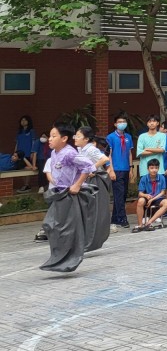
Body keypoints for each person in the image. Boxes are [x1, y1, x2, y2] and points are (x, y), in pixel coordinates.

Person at [38, 123, 97, 272]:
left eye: (53, 136)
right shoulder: (54, 153)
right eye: (50, 136)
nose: (49, 139)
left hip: (69, 196)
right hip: (59, 194)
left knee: (66, 229)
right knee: (50, 225)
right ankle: (59, 257)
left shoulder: (69, 153)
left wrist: (77, 184)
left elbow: (89, 166)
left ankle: (68, 259)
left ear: (64, 138)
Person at [105, 114, 133, 229]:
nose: (122, 123)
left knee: (122, 194)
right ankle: (122, 218)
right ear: (115, 124)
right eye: (119, 121)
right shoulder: (110, 137)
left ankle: (115, 218)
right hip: (116, 169)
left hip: (126, 168)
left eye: (124, 121)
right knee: (119, 194)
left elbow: (130, 153)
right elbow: (108, 155)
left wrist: (131, 168)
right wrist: (110, 169)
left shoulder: (128, 137)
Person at [134, 158, 167, 232]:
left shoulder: (162, 178)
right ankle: (140, 225)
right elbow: (140, 193)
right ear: (148, 169)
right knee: (140, 201)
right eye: (152, 168)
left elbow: (163, 192)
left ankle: (149, 222)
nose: (154, 170)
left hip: (157, 198)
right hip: (147, 197)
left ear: (158, 168)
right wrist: (146, 195)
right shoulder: (144, 178)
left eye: (156, 168)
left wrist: (152, 199)